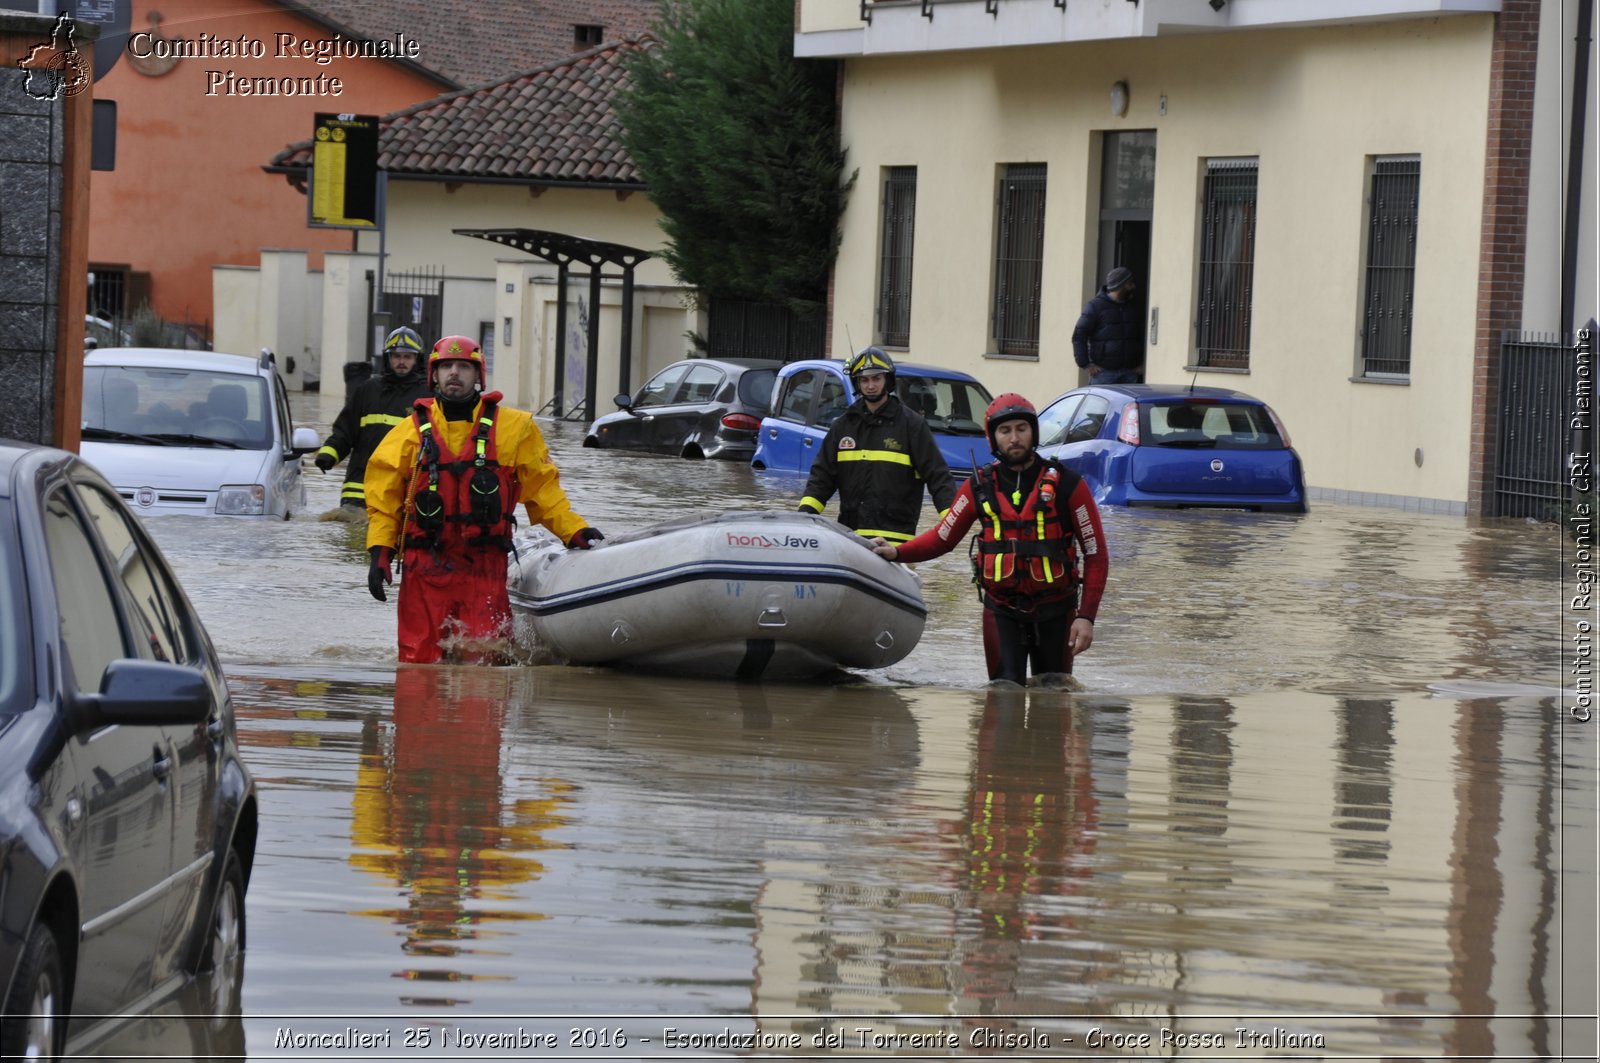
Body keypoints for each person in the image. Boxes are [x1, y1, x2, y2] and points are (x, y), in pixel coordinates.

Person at [363, 335, 605, 664]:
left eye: (463, 366)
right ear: (433, 374)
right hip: (425, 571)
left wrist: (574, 530)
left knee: (485, 667)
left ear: (478, 375)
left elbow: (544, 491)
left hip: (483, 568)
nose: (454, 373)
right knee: (417, 666)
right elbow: (383, 502)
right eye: (446, 366)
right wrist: (380, 553)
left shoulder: (515, 429)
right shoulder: (406, 435)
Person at [871, 393, 1109, 685]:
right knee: (1003, 696)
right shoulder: (978, 487)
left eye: (1022, 429)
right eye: (1005, 431)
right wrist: (897, 552)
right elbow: (942, 538)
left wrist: (1086, 618)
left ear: (1033, 432)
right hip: (1001, 610)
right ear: (992, 438)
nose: (1014, 438)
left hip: (1058, 611)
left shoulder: (1069, 485)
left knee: (1054, 699)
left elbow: (1096, 554)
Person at [797, 346, 957, 545]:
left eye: (876, 378)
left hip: (897, 542)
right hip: (852, 539)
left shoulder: (911, 425)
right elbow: (821, 478)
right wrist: (804, 517)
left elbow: (938, 477)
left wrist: (953, 522)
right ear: (857, 383)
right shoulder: (843, 426)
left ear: (887, 380)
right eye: (864, 380)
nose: (870, 385)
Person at [314, 326, 432, 511]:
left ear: (417, 360)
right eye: (396, 356)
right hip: (358, 490)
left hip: (404, 490)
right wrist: (329, 455)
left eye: (407, 357)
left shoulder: (428, 396)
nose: (401, 361)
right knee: (353, 538)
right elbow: (345, 430)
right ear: (388, 358)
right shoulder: (368, 390)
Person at [1071, 266, 1144, 385]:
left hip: (1129, 372)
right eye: (1130, 284)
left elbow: (1141, 335)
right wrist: (1085, 364)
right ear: (1121, 285)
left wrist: (1142, 363)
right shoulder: (1095, 306)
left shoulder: (1134, 306)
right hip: (1103, 373)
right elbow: (1079, 336)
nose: (1133, 287)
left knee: (1128, 404)